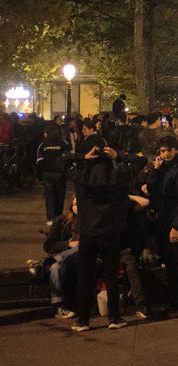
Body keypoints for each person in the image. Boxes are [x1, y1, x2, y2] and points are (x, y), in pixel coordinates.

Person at [68, 136, 131, 331]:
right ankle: (114, 317)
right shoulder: (116, 177)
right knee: (111, 276)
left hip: (87, 232)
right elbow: (141, 161)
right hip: (110, 232)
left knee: (85, 277)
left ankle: (83, 320)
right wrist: (117, 156)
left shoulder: (80, 177)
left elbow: (61, 161)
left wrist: (82, 157)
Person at [147, 134, 178, 317]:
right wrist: (156, 170)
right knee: (170, 265)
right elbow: (152, 189)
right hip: (164, 220)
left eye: (169, 150)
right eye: (162, 151)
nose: (166, 154)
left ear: (176, 149)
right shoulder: (165, 167)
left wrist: (176, 226)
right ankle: (174, 304)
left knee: (175, 266)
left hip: (174, 222)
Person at [36, 124, 70, 225]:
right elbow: (67, 159)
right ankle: (58, 217)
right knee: (60, 196)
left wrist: (39, 176)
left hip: (47, 174)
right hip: (60, 174)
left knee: (49, 196)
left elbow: (39, 162)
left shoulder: (43, 145)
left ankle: (50, 218)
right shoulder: (63, 144)